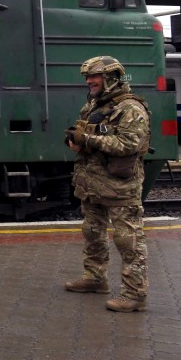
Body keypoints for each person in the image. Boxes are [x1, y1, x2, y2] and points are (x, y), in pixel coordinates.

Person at [64, 55, 150, 312]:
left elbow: (129, 144)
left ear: (111, 78)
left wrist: (89, 141)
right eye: (88, 77)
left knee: (128, 240)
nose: (89, 81)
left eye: (95, 77)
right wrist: (75, 140)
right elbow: (87, 134)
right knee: (92, 232)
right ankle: (95, 278)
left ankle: (134, 295)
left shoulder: (131, 108)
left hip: (120, 187)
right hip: (93, 184)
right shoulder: (93, 105)